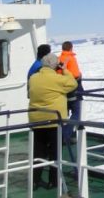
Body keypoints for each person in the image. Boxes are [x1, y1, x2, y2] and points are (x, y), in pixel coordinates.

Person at [28, 53, 77, 190]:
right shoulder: (57, 79)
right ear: (55, 65)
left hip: (36, 120)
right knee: (55, 153)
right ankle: (53, 181)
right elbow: (72, 83)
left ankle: (35, 181)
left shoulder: (33, 78)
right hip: (54, 121)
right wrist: (65, 69)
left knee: (38, 152)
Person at [57, 41, 83, 143]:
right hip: (72, 89)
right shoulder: (71, 58)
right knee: (76, 112)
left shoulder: (59, 59)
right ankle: (66, 134)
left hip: (62, 90)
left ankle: (63, 134)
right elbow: (76, 74)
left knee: (64, 113)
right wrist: (79, 76)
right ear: (71, 48)